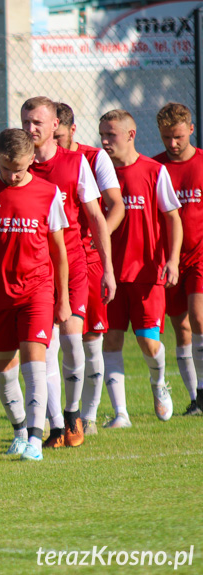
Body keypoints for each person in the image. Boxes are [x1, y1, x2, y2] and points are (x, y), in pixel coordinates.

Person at [21, 97, 114, 449]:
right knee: (46, 349)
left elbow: (96, 218)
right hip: (36, 270)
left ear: (56, 124)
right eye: (26, 122)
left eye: (38, 123)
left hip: (73, 265)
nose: (31, 130)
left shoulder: (76, 164)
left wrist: (107, 270)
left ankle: (73, 412)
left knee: (74, 341)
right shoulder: (20, 166)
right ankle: (56, 426)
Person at [0, 128, 70, 462]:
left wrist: (64, 299)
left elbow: (58, 250)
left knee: (36, 364)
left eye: (19, 168)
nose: (12, 175)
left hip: (37, 292)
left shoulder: (48, 193)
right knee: (4, 373)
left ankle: (35, 437)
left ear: (33, 159)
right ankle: (19, 429)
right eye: (5, 168)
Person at [99, 109, 182, 427]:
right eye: (102, 134)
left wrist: (172, 260)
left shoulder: (153, 170)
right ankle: (121, 413)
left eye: (112, 135)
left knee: (148, 342)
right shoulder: (99, 173)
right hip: (109, 273)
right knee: (111, 340)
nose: (105, 141)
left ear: (131, 135)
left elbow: (172, 217)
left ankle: (159, 384)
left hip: (147, 273)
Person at [54, 103, 125, 433]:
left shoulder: (93, 159)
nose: (50, 142)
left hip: (88, 259)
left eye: (57, 135)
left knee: (92, 337)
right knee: (51, 341)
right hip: (51, 260)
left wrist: (98, 241)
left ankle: (90, 415)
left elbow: (115, 206)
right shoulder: (34, 159)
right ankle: (55, 418)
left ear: (70, 130)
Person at [153, 102, 203, 416]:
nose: (172, 144)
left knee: (198, 318)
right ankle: (195, 397)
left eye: (179, 137)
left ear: (191, 131)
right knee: (180, 327)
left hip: (200, 254)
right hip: (169, 258)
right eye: (166, 138)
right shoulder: (156, 168)